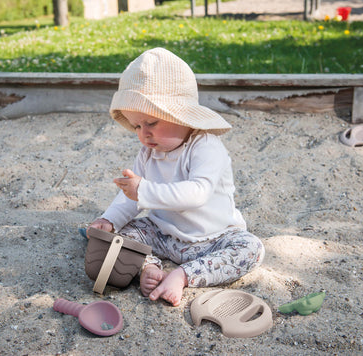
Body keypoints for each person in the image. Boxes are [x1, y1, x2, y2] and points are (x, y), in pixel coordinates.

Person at [88, 47, 264, 307]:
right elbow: (130, 197)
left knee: (251, 249)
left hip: (212, 238)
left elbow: (197, 194)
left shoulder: (205, 146)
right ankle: (150, 268)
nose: (143, 134)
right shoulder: (148, 153)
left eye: (151, 123)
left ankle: (183, 276)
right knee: (124, 234)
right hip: (163, 234)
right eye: (137, 125)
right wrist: (109, 219)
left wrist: (144, 191)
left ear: (181, 116)